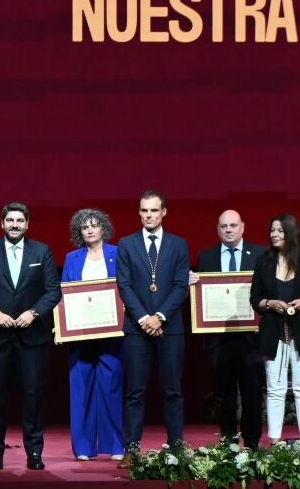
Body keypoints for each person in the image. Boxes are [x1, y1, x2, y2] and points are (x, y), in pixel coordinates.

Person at [0, 202, 62, 471]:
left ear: (27, 224)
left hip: (33, 338)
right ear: (2, 223)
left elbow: (53, 291)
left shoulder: (41, 251)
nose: (15, 225)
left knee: (33, 397)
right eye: (10, 220)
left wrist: (34, 312)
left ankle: (34, 452)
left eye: (20, 220)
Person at [116, 190, 190, 468]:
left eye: (154, 210)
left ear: (164, 212)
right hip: (137, 328)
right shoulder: (126, 244)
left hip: (170, 328)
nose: (149, 215)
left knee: (173, 391)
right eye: (144, 210)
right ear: (139, 212)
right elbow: (124, 285)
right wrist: (144, 318)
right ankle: (132, 449)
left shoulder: (178, 244)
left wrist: (159, 317)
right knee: (134, 392)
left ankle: (176, 447)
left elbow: (180, 286)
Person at [190, 209, 266, 450]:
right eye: (224, 226)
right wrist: (192, 284)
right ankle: (228, 444)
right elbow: (200, 297)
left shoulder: (261, 254)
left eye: (233, 225)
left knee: (252, 393)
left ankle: (252, 444)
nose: (229, 230)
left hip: (251, 338)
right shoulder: (207, 257)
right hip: (219, 339)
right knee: (224, 395)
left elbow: (268, 290)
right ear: (218, 229)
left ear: (242, 227)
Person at [249, 213, 300, 443]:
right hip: (273, 332)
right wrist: (269, 303)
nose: (274, 234)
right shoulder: (264, 260)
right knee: (275, 388)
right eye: (272, 230)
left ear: (291, 232)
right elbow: (255, 298)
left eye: (279, 230)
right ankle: (274, 442)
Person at [61, 208, 124, 461]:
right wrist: (61, 322)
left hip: (112, 333)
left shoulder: (118, 253)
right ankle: (84, 447)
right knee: (81, 391)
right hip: (80, 334)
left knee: (112, 389)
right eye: (85, 226)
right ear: (79, 231)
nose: (89, 230)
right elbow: (64, 293)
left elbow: (126, 287)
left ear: (103, 229)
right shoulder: (72, 258)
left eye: (94, 225)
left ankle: (115, 446)